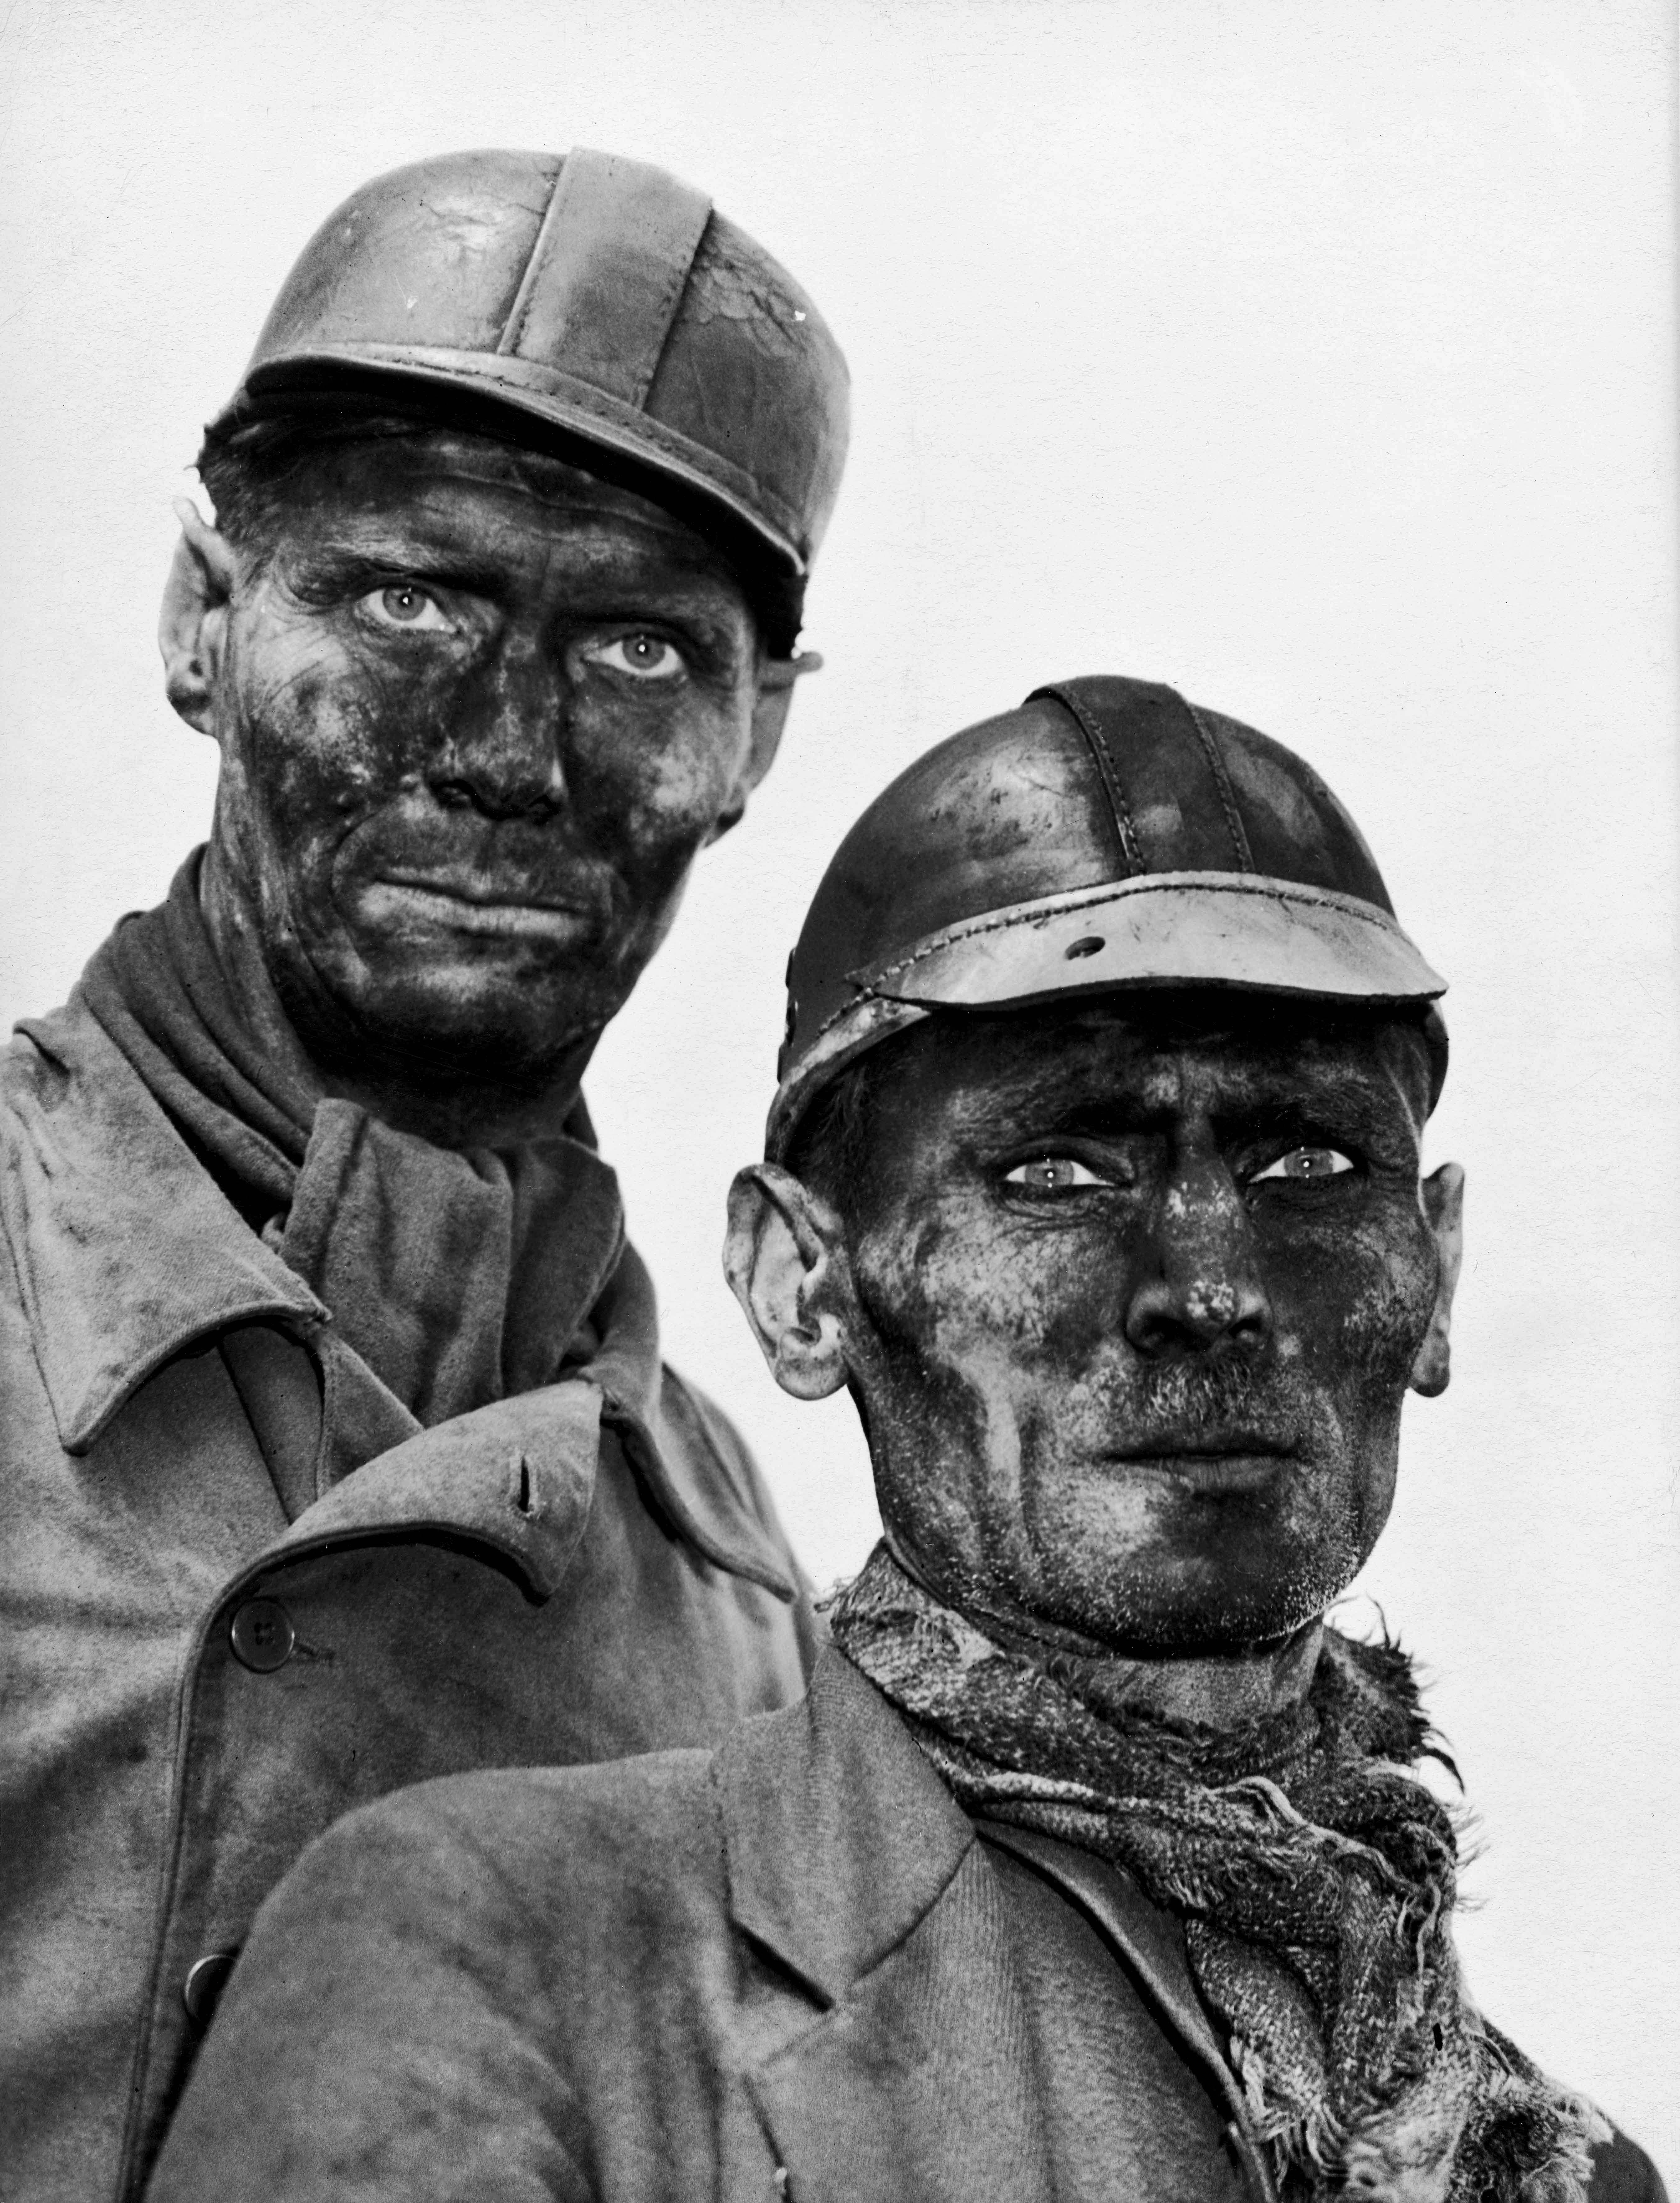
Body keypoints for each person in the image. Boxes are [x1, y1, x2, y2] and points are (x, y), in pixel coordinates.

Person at [146, 675, 1666, 2203]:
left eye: (1309, 1163)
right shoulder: (490, 1956)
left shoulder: (1550, 2168)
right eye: (1060, 1169)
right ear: (801, 1283)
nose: (1209, 1286)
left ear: (1435, 1270)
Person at [0, 146, 848, 2201]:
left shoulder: (746, 1601)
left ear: (755, 739)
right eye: (405, 601)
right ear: (205, 620)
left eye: (638, 652)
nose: (508, 751)